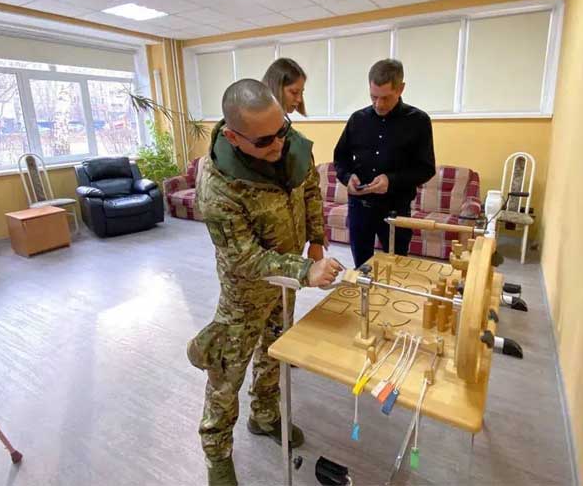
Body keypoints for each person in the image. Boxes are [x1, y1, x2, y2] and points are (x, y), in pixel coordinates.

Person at [187, 79, 343, 486]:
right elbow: (243, 257)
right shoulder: (218, 186)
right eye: (264, 141)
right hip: (246, 291)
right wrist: (305, 272)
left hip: (284, 284)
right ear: (235, 137)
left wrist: (317, 238)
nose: (278, 145)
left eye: (282, 131)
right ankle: (216, 452)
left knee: (275, 351)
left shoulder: (288, 142)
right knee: (227, 372)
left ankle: (264, 415)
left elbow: (310, 188)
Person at [333, 59, 436, 268]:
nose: (378, 104)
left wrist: (391, 181)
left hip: (395, 211)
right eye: (373, 97)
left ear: (401, 89)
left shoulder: (418, 121)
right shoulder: (357, 119)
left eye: (386, 98)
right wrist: (347, 178)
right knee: (362, 268)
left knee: (396, 267)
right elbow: (340, 158)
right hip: (359, 209)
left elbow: (426, 168)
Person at [262, 57, 325, 263]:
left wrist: (316, 240)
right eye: (294, 92)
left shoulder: (296, 142)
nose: (298, 99)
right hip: (258, 263)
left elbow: (311, 191)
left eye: (301, 92)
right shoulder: (245, 143)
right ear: (276, 88)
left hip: (291, 255)